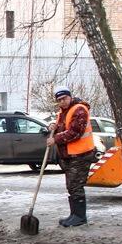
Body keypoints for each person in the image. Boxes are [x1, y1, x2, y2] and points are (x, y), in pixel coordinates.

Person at [49, 88, 95, 227]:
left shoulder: (79, 110)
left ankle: (80, 217)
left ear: (70, 97)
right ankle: (74, 214)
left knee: (75, 185)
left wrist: (55, 139)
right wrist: (53, 126)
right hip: (70, 155)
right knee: (71, 185)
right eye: (59, 100)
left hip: (81, 154)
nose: (62, 102)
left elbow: (75, 132)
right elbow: (62, 127)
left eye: (64, 98)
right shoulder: (63, 112)